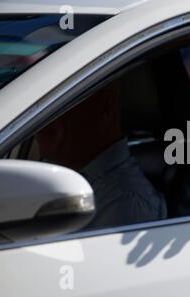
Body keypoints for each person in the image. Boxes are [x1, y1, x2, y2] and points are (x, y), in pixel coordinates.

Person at [35, 80, 167, 228]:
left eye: (59, 101)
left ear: (106, 107)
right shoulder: (54, 171)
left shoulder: (126, 205)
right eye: (39, 103)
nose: (40, 116)